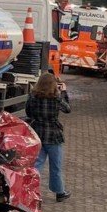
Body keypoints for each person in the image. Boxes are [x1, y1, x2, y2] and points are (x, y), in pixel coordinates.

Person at [25, 72, 71, 202]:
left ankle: (29, 190)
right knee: (56, 166)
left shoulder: (33, 97)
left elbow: (28, 112)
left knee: (37, 165)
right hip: (54, 136)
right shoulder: (56, 98)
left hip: (38, 134)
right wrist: (64, 92)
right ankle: (60, 193)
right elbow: (68, 109)